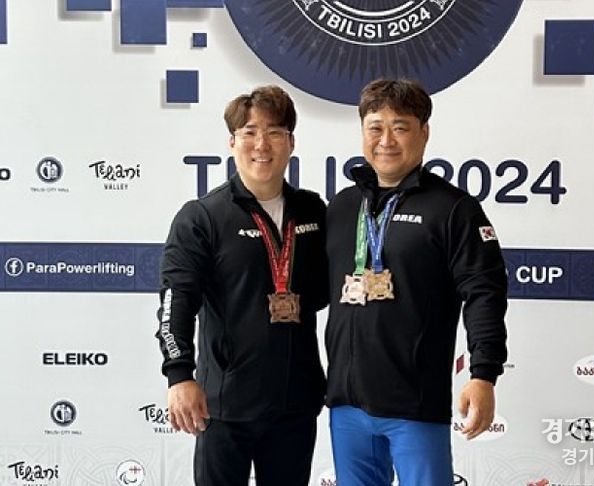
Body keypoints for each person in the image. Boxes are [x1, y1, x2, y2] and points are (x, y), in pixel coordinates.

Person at [325, 78, 508, 486]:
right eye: (375, 127)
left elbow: (484, 293)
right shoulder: (342, 207)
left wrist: (483, 373)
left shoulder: (454, 209)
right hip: (346, 405)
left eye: (400, 127)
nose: (386, 140)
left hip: (414, 405)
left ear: (424, 133)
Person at [155, 85, 328, 486]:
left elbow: (324, 292)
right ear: (232, 142)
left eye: (274, 132)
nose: (261, 145)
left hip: (295, 405)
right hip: (224, 407)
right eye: (249, 132)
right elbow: (176, 300)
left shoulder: (313, 211)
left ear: (291, 143)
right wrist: (179, 374)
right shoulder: (202, 217)